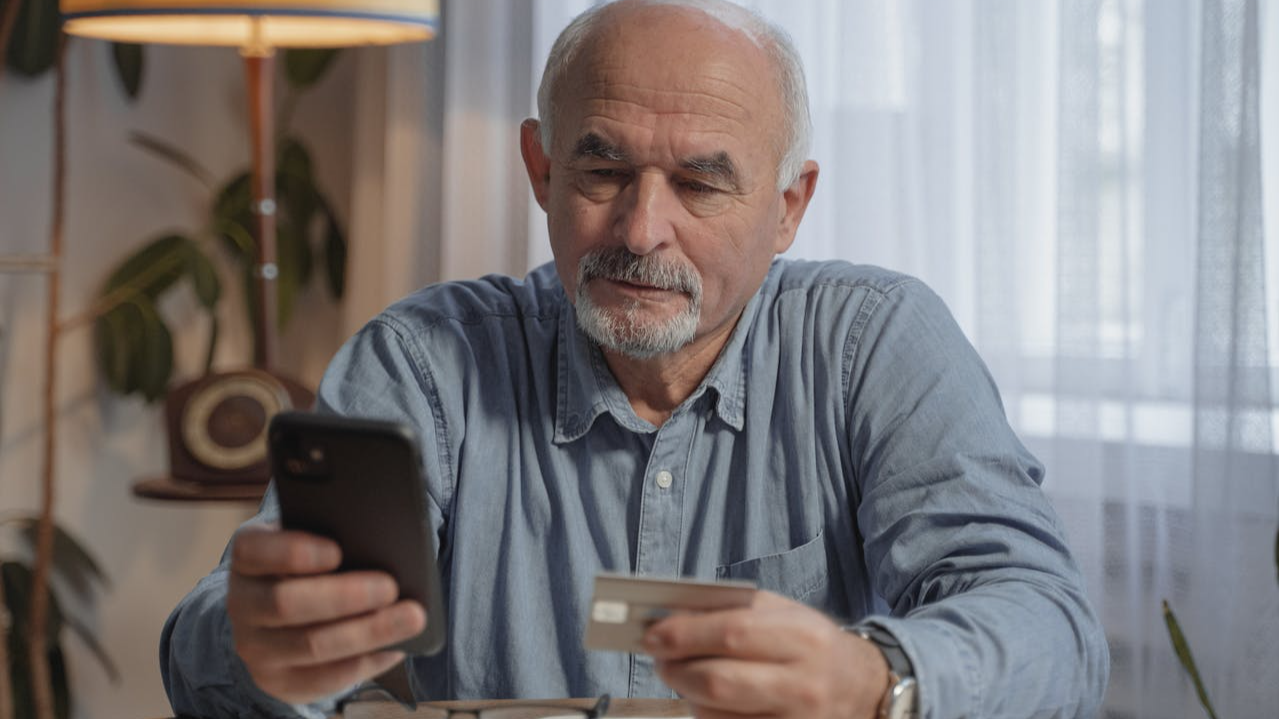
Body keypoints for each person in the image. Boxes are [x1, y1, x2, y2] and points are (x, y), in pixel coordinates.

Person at [161, 1, 1110, 717]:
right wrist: (261, 645)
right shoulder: (425, 363)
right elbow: (199, 653)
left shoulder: (873, 343)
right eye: (603, 170)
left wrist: (878, 678)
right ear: (541, 170)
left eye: (700, 183)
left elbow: (1051, 628)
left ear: (788, 206)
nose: (640, 229)